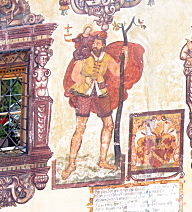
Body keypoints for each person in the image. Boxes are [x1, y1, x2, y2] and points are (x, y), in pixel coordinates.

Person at [60, 32, 143, 180]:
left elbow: (117, 71)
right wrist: (88, 78)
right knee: (80, 127)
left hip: (101, 91)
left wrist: (126, 57)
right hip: (84, 92)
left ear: (103, 45)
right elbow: (74, 75)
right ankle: (71, 163)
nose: (95, 45)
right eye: (94, 43)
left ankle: (103, 160)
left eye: (98, 43)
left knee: (108, 124)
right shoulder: (84, 56)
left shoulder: (107, 58)